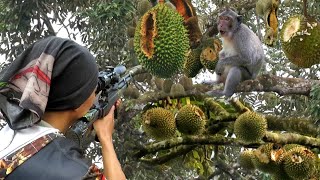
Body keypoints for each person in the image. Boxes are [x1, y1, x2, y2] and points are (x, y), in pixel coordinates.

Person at [0, 36, 126, 180]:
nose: (94, 93)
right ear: (76, 101)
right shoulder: (76, 171)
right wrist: (106, 138)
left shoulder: (8, 138)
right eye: (92, 88)